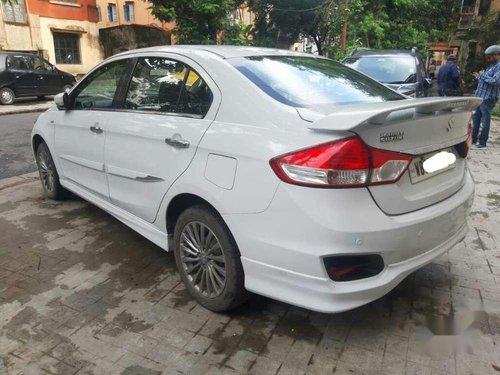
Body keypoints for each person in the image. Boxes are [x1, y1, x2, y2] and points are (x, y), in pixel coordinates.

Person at [472, 45, 500, 149]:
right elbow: (485, 80)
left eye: (490, 57)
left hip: (488, 98)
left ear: (497, 55)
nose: (488, 59)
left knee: (485, 120)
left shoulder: (499, 66)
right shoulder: (491, 66)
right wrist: (479, 77)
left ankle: (482, 142)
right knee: (476, 118)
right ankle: (473, 140)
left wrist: (482, 76)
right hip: (481, 97)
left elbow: (496, 81)